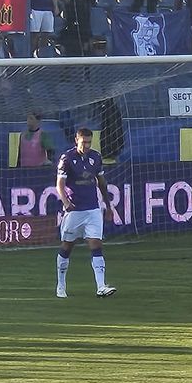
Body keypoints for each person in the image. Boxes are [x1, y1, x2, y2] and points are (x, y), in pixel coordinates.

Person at [56, 127, 116, 298]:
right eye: (84, 142)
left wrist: (108, 206)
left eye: (89, 142)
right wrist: (66, 202)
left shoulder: (96, 157)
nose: (87, 146)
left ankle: (101, 286)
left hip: (93, 209)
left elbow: (101, 183)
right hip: (74, 210)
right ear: (76, 140)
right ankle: (61, 285)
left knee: (96, 244)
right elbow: (59, 185)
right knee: (67, 246)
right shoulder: (67, 158)